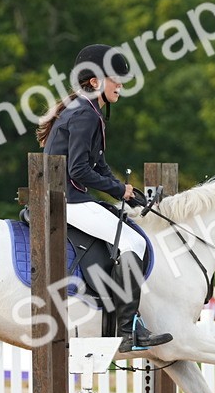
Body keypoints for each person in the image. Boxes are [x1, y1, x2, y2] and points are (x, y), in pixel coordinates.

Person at [36, 43, 172, 353]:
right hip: (66, 201)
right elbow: (80, 170)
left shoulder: (87, 110)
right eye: (115, 79)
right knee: (134, 243)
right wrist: (116, 190)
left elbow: (98, 167)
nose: (121, 85)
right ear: (95, 81)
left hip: (70, 197)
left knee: (125, 225)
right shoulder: (85, 113)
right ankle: (129, 329)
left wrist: (127, 193)